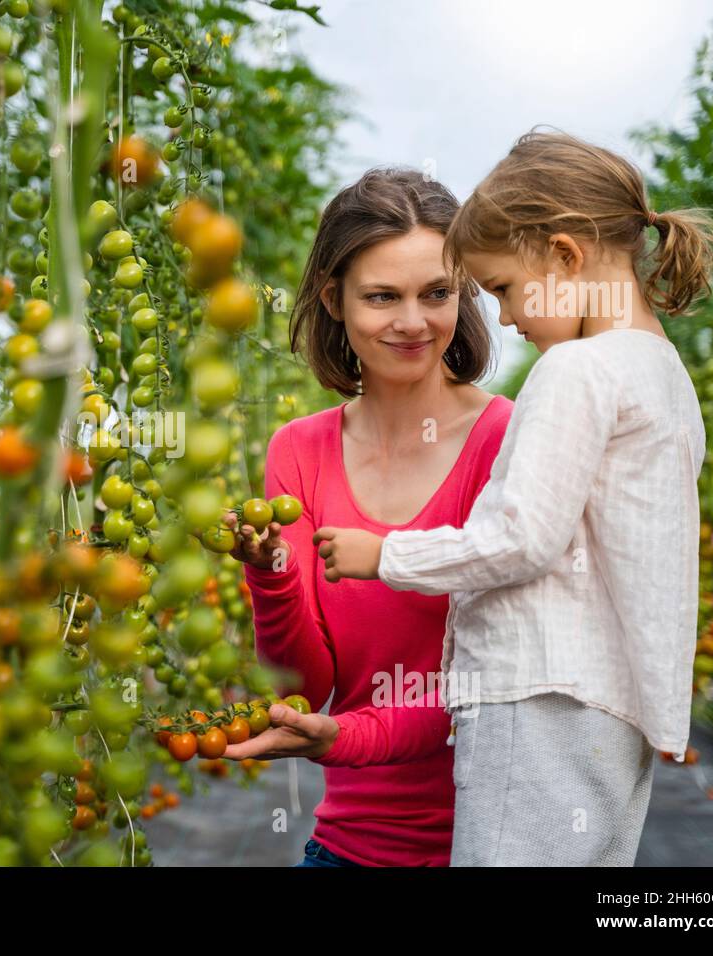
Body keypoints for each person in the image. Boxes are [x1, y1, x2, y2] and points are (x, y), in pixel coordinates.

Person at [302, 129, 713, 865]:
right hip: (615, 708)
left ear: (564, 255)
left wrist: (387, 554)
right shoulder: (664, 376)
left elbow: (522, 537)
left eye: (502, 288)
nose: (503, 317)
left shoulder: (575, 371)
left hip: (537, 696)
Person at [221, 167, 512, 867]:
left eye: (436, 294)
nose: (414, 323)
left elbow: (493, 684)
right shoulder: (300, 451)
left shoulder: (507, 438)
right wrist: (272, 575)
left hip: (487, 845)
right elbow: (304, 687)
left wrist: (345, 739)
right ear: (334, 298)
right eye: (383, 296)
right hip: (348, 848)